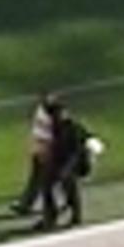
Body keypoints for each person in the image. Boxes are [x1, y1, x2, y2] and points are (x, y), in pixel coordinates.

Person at [35, 97, 97, 231]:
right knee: (46, 182)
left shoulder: (71, 127)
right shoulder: (52, 128)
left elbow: (78, 151)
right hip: (62, 161)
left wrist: (66, 169)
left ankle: (76, 215)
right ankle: (51, 215)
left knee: (67, 179)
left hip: (78, 161)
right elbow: (50, 149)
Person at [8, 94, 60, 216]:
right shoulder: (43, 114)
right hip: (41, 150)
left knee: (49, 181)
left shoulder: (53, 117)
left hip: (49, 152)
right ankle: (27, 204)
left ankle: (49, 208)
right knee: (37, 178)